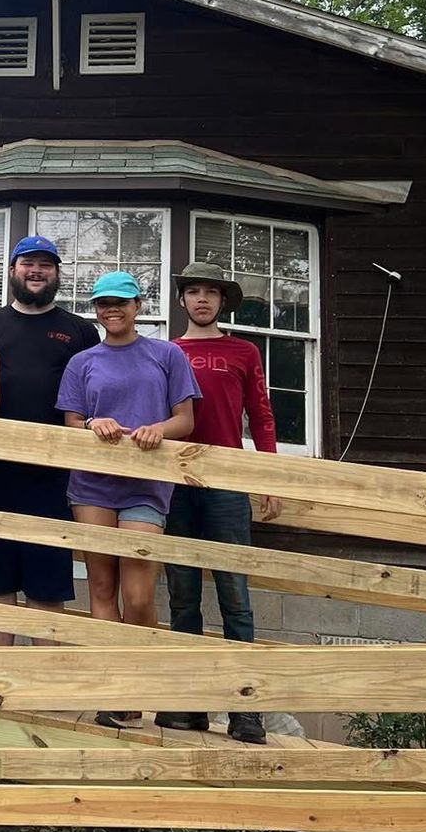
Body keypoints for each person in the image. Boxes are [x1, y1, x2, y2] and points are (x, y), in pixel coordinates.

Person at [56, 270, 201, 729]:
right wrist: (91, 424)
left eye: (120, 302)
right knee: (101, 587)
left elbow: (185, 421)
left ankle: (139, 682)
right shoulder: (83, 361)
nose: (111, 310)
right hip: (93, 485)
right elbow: (70, 423)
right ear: (95, 311)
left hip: (146, 486)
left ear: (138, 305)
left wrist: (156, 430)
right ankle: (115, 694)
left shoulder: (166, 354)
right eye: (102, 304)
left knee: (138, 593)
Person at [162, 260, 279, 742]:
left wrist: (268, 476)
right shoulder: (166, 352)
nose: (202, 300)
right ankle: (190, 706)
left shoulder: (244, 351)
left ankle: (244, 707)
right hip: (175, 482)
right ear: (183, 300)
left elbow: (263, 414)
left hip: (228, 483)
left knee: (236, 595)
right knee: (183, 596)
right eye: (193, 292)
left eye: (211, 292)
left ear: (222, 301)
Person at [0, 236, 100, 643]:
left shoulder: (80, 331)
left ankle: (42, 688)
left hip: (53, 474)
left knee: (47, 580)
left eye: (46, 265)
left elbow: (96, 395)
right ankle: (0, 687)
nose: (36, 271)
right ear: (12, 270)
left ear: (57, 274)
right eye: (28, 263)